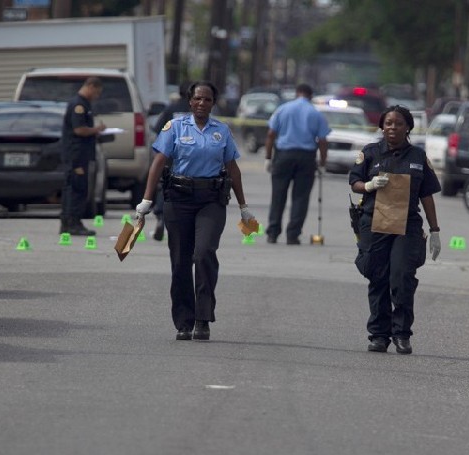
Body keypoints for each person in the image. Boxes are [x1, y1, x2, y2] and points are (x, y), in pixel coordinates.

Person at [134, 81, 256, 341]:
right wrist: (145, 201)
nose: (202, 103)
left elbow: (233, 170)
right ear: (190, 101)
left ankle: (203, 317)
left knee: (203, 253)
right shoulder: (175, 127)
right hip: (178, 200)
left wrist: (243, 207)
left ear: (213, 103)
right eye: (198, 99)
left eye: (207, 100)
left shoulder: (221, 131)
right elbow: (158, 163)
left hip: (210, 200)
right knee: (180, 261)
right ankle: (184, 321)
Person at [348, 105, 442, 355]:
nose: (392, 128)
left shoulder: (418, 157)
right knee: (377, 277)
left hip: (407, 225)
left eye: (398, 124)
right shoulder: (370, 153)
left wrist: (435, 230)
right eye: (388, 123)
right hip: (374, 222)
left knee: (401, 278)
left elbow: (428, 196)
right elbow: (354, 183)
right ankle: (379, 335)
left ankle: (401, 333)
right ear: (381, 126)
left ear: (408, 127)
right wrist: (368, 185)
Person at [264, 83, 330, 245]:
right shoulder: (316, 113)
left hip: (283, 155)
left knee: (278, 194)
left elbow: (271, 134)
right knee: (301, 197)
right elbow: (322, 141)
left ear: (297, 93)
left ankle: (273, 232)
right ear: (310, 95)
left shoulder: (282, 109)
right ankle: (293, 234)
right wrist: (322, 163)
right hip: (306, 157)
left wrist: (268, 157)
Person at [60, 76, 106, 236]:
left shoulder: (83, 104)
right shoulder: (78, 105)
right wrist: (97, 129)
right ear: (91, 86)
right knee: (77, 188)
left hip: (79, 154)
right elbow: (79, 129)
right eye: (97, 92)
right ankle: (72, 223)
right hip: (76, 155)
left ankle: (68, 222)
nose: (97, 96)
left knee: (73, 187)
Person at [149, 82, 192, 241]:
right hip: (191, 154)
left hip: (171, 152)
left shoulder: (171, 108)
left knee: (165, 184)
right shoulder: (195, 109)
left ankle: (161, 216)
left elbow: (158, 128)